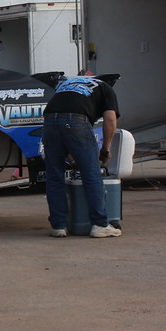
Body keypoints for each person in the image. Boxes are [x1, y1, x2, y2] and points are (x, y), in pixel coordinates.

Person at [42, 73, 121, 238]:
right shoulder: (105, 88)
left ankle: (58, 226)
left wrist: (72, 158)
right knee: (91, 174)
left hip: (49, 120)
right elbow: (110, 119)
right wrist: (106, 148)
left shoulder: (67, 84)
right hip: (76, 120)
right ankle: (100, 224)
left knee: (55, 175)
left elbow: (63, 122)